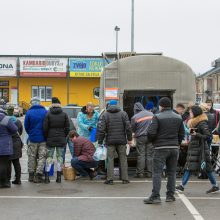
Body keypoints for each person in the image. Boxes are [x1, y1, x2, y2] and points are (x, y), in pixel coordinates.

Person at [144, 97, 185, 204]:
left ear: (161, 106)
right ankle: (170, 196)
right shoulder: (178, 117)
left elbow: (151, 132)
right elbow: (182, 134)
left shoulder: (156, 116)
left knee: (157, 172)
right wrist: (177, 143)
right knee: (171, 173)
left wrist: (153, 142)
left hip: (160, 148)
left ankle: (155, 196)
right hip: (174, 148)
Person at [176, 105, 219, 194]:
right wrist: (190, 131)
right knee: (200, 167)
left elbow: (208, 136)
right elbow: (196, 132)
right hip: (196, 148)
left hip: (200, 149)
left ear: (195, 113)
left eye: (191, 112)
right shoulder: (195, 122)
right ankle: (215, 186)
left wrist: (194, 133)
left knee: (191, 167)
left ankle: (182, 186)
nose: (189, 114)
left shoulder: (202, 123)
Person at [97, 100, 132, 185]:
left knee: (110, 159)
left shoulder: (105, 115)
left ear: (109, 105)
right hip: (121, 140)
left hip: (110, 141)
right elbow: (128, 128)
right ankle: (125, 179)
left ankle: (110, 179)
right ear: (117, 105)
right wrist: (129, 139)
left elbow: (102, 130)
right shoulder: (123, 114)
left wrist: (100, 141)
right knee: (123, 159)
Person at [43, 97, 70, 183]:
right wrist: (64, 136)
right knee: (60, 157)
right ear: (59, 104)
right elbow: (67, 128)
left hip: (50, 139)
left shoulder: (48, 114)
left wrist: (47, 137)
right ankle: (59, 177)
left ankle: (47, 178)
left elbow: (45, 128)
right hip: (61, 138)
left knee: (49, 157)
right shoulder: (64, 114)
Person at [24, 97, 47, 183]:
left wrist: (31, 133)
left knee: (31, 156)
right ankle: (38, 175)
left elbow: (26, 126)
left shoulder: (29, 112)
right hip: (43, 138)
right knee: (42, 157)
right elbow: (47, 125)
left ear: (31, 103)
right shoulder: (45, 112)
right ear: (39, 103)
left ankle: (31, 175)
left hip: (32, 138)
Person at [131, 102, 154, 178]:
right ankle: (149, 173)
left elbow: (133, 129)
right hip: (150, 137)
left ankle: (140, 173)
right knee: (149, 155)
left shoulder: (135, 117)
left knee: (141, 155)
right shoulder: (151, 114)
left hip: (140, 137)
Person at [0, 108, 18, 188]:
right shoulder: (6, 119)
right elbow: (15, 129)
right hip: (5, 144)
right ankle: (4, 182)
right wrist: (8, 133)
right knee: (4, 164)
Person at [7, 106, 23, 185]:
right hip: (16, 143)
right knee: (16, 162)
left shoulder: (5, 121)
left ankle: (7, 179)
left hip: (8, 143)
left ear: (7, 111)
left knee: (7, 163)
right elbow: (20, 132)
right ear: (13, 111)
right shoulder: (18, 121)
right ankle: (18, 179)